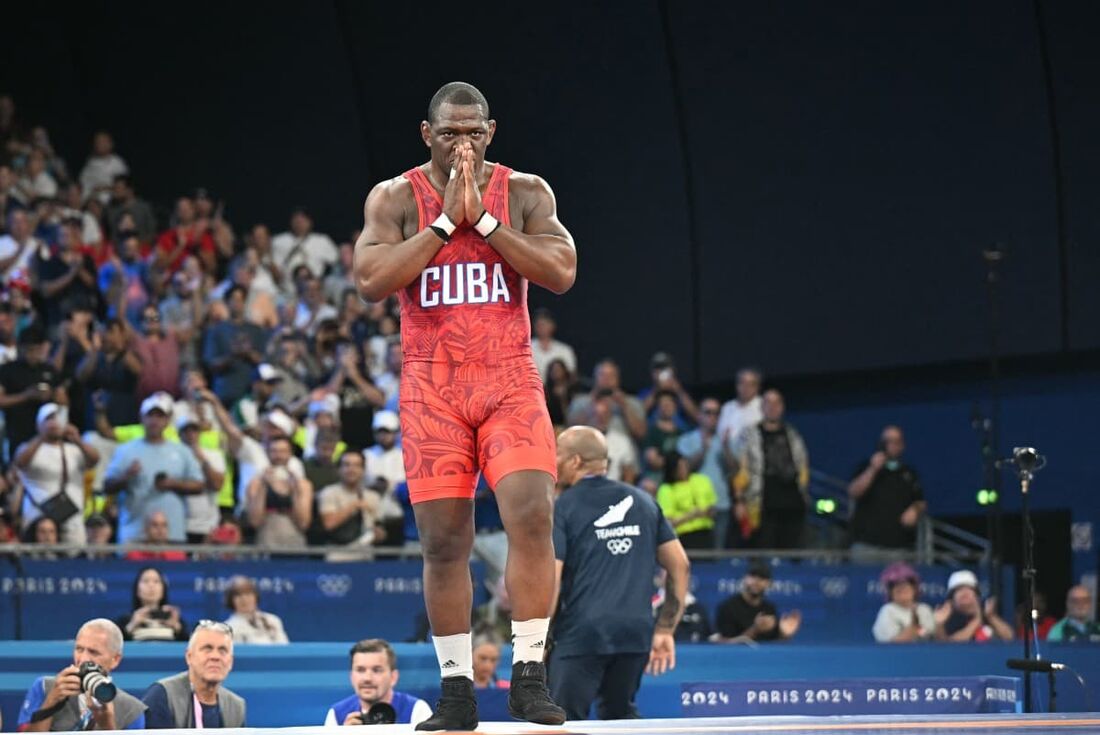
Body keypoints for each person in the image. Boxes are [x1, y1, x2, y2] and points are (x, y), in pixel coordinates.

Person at [353, 81, 577, 729]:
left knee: (532, 517)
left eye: (474, 132)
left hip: (507, 376)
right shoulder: (395, 197)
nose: (463, 144)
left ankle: (529, 675)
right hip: (433, 387)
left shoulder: (526, 191)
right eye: (450, 133)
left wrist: (484, 219)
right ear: (427, 134)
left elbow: (560, 271)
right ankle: (455, 692)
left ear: (491, 131)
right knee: (444, 543)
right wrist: (447, 221)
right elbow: (371, 280)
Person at [549, 427, 689, 720]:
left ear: (575, 462)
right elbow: (680, 564)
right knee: (619, 715)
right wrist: (664, 629)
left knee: (559, 720)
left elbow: (552, 578)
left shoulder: (562, 508)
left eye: (557, 452)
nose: (552, 459)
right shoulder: (644, 501)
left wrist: (538, 639)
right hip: (634, 633)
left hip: (581, 635)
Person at [103, 392, 205, 543]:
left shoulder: (181, 451)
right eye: (150, 415)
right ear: (142, 418)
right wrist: (127, 476)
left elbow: (199, 485)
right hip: (134, 535)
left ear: (168, 420)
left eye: (160, 416)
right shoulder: (125, 450)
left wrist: (173, 484)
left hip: (172, 534)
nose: (154, 421)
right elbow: (107, 486)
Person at [17, 618, 146, 731]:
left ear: (115, 659)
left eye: (93, 652)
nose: (83, 659)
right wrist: (51, 701)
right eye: (79, 649)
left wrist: (108, 726)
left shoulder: (131, 709)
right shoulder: (44, 687)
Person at [13, 403, 99, 544]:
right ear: (39, 423)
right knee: (37, 559)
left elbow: (95, 459)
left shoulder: (74, 449)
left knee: (74, 557)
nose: (54, 423)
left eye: (57, 419)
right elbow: (20, 462)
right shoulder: (28, 447)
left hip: (71, 515)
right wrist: (42, 436)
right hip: (38, 515)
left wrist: (77, 439)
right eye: (49, 419)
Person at [735, 389, 809, 549]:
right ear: (762, 407)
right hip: (762, 503)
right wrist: (739, 500)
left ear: (782, 407)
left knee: (793, 555)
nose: (773, 407)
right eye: (768, 403)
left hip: (793, 503)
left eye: (777, 403)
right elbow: (742, 470)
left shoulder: (793, 435)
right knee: (764, 552)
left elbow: (803, 465)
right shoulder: (749, 435)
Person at [142, 621, 246, 728]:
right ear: (189, 656)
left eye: (223, 650)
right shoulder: (162, 695)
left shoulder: (236, 707)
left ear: (231, 661)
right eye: (207, 649)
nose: (215, 656)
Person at [848, 425, 926, 561]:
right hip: (867, 546)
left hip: (898, 547)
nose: (891, 446)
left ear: (902, 445)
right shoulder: (866, 467)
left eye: (896, 441)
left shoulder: (908, 473)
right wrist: (873, 469)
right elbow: (854, 492)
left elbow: (920, 501)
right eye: (887, 441)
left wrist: (915, 510)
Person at [323, 639, 432, 726]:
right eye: (360, 670)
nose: (367, 678)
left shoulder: (416, 710)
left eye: (376, 670)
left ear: (393, 677)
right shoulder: (337, 714)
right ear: (351, 676)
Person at [677, 397, 731, 549]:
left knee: (718, 555)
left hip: (720, 504)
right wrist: (703, 450)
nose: (712, 417)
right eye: (708, 412)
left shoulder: (724, 440)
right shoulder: (686, 440)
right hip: (693, 509)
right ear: (699, 415)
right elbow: (684, 469)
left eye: (716, 413)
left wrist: (726, 448)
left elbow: (734, 469)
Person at [0, 323, 59, 460]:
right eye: (29, 350)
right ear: (20, 348)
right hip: (17, 431)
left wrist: (51, 395)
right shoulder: (7, 370)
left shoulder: (49, 370)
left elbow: (64, 400)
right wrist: (26, 396)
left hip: (46, 434)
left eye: (37, 349)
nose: (33, 354)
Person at [245, 436, 313, 548]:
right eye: (274, 451)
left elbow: (304, 523)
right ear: (267, 453)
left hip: (295, 543)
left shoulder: (303, 485)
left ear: (290, 453)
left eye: (283, 451)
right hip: (266, 542)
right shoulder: (255, 484)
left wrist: (295, 491)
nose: (278, 455)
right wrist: (263, 486)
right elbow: (255, 522)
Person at [713, 563, 802, 642]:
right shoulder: (727, 607)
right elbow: (725, 644)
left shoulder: (770, 609)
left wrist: (784, 635)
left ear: (769, 583)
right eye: (753, 576)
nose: (756, 582)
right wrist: (755, 629)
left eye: (762, 578)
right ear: (744, 578)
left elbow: (774, 645)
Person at [656, 450, 718, 549]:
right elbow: (668, 522)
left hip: (706, 533)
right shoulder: (666, 490)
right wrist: (690, 515)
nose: (683, 470)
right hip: (683, 537)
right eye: (679, 468)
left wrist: (708, 511)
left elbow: (714, 508)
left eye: (684, 465)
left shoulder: (703, 480)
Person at [934, 570, 1013, 642]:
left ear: (976, 594)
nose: (964, 592)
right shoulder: (948, 617)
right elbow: (952, 646)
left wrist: (991, 617)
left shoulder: (987, 613)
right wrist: (976, 621)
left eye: (969, 589)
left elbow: (1009, 637)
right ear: (951, 597)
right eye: (959, 589)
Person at [117, 567, 188, 642]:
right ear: (137, 589)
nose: (151, 586)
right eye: (145, 581)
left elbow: (189, 647)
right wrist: (132, 625)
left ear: (163, 589)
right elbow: (116, 647)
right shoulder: (126, 620)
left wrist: (177, 627)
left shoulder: (175, 619)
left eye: (156, 581)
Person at [872, 562, 935, 642]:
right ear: (891, 593)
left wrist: (918, 629)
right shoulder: (887, 610)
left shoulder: (924, 609)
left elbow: (930, 637)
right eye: (898, 588)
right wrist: (913, 626)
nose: (902, 589)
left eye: (906, 587)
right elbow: (894, 642)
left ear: (914, 590)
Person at [222, 575, 289, 644]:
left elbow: (286, 649)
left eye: (248, 594)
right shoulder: (228, 629)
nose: (244, 599)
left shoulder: (273, 620)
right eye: (238, 595)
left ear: (256, 596)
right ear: (231, 600)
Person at [716, 367, 763, 447]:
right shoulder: (727, 407)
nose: (746, 387)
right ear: (737, 385)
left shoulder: (764, 405)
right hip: (726, 453)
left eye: (751, 384)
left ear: (757, 387)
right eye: (742, 383)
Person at [530, 308, 576, 382]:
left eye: (544, 324)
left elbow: (571, 375)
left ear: (552, 326)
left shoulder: (565, 350)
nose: (541, 328)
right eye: (538, 325)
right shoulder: (526, 349)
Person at [123, 510, 188, 562]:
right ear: (146, 529)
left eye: (164, 525)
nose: (160, 529)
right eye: (155, 525)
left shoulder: (178, 556)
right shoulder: (134, 556)